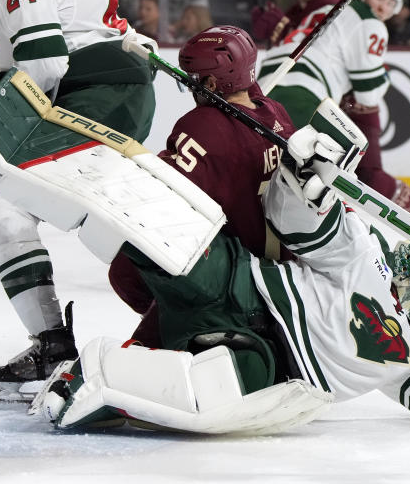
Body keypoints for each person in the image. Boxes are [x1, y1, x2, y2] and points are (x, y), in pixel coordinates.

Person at [21, 118, 410, 435]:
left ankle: (94, 378)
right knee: (165, 230)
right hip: (244, 289)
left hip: (272, 358)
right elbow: (302, 221)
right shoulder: (367, 251)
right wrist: (301, 175)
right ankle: (37, 164)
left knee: (222, 390)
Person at [0, 0, 157, 403]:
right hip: (121, 95)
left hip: (88, 97)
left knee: (1, 213)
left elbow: (42, 63)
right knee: (106, 213)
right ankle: (188, 312)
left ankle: (52, 346)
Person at [107, 26, 297, 347]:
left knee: (128, 266)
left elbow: (163, 191)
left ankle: (188, 332)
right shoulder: (274, 113)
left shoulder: (205, 126)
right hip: (283, 267)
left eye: (196, 79)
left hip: (240, 274)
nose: (191, 86)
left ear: (212, 83)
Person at [256, 0, 410, 241]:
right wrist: (378, 79)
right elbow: (368, 95)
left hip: (265, 86)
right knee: (346, 177)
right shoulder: (367, 21)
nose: (381, 5)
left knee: (260, 162)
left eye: (389, 1)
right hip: (305, 94)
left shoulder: (318, 8)